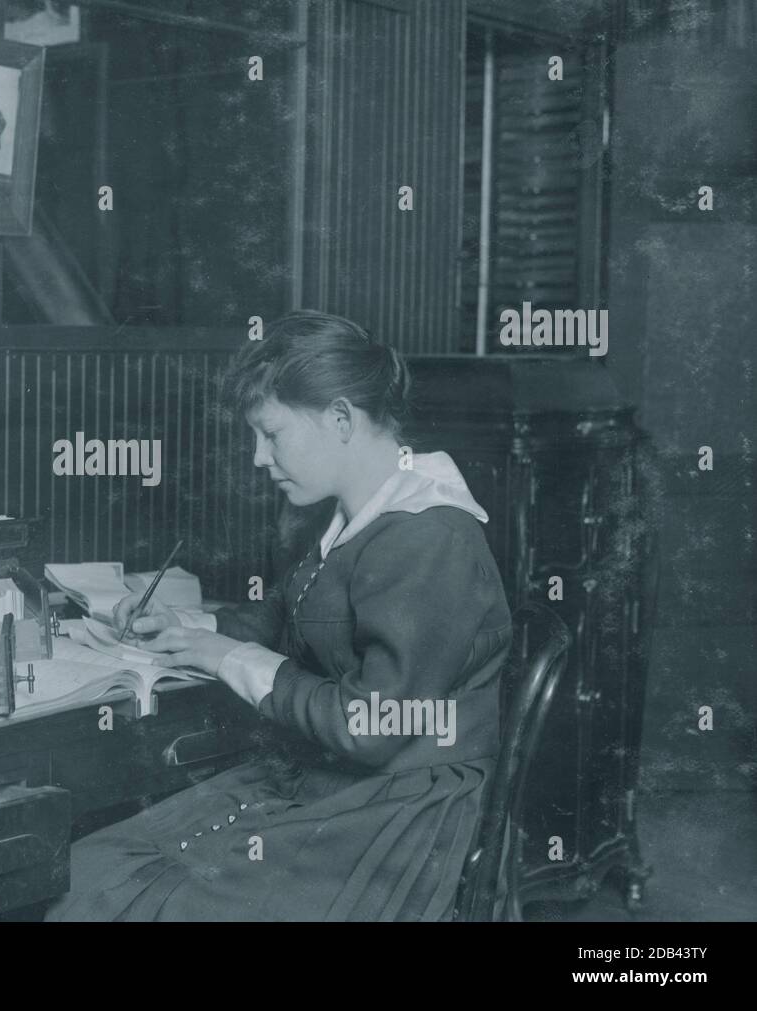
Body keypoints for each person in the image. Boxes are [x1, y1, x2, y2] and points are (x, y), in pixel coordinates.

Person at [44, 311, 512, 922]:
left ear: (341, 419)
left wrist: (233, 659)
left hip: (403, 808)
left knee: (143, 903)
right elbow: (292, 620)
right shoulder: (358, 517)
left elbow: (371, 726)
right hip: (333, 780)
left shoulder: (428, 538)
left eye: (272, 434)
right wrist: (194, 630)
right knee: (87, 874)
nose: (259, 458)